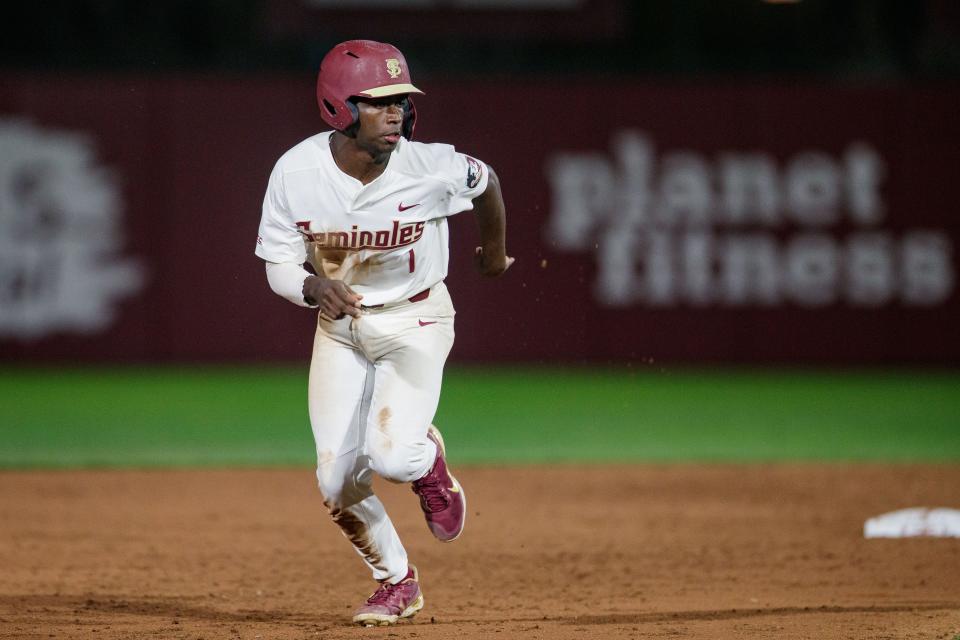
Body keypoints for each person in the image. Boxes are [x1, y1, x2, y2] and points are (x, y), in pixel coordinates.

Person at [254, 39, 513, 627]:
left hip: (416, 319)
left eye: (401, 99)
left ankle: (426, 462)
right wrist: (313, 288)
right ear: (337, 106)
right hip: (340, 329)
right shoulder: (296, 172)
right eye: (378, 101)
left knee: (393, 458)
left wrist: (493, 254)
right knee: (336, 480)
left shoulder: (433, 165)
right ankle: (397, 582)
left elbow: (486, 180)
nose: (396, 111)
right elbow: (277, 264)